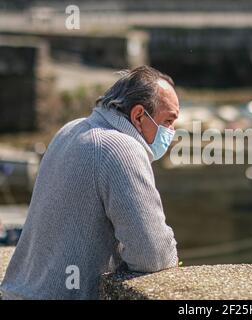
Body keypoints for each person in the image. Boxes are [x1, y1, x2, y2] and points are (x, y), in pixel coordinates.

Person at [0, 66, 179, 299]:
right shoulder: (121, 149)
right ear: (138, 116)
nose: (172, 131)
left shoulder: (70, 129)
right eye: (168, 121)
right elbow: (154, 254)